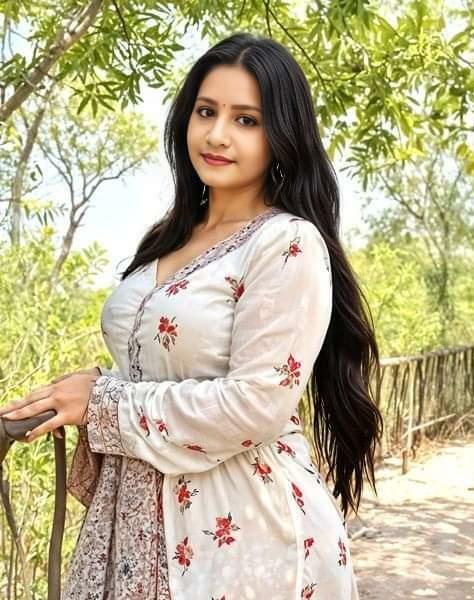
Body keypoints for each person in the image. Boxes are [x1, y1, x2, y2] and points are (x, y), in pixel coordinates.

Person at [0, 32, 383, 599]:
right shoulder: (169, 237)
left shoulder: (286, 243)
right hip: (130, 519)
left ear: (282, 134)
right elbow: (161, 367)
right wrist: (93, 387)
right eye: (206, 112)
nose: (217, 134)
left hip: (240, 536)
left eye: (246, 120)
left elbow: (255, 404)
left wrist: (103, 403)